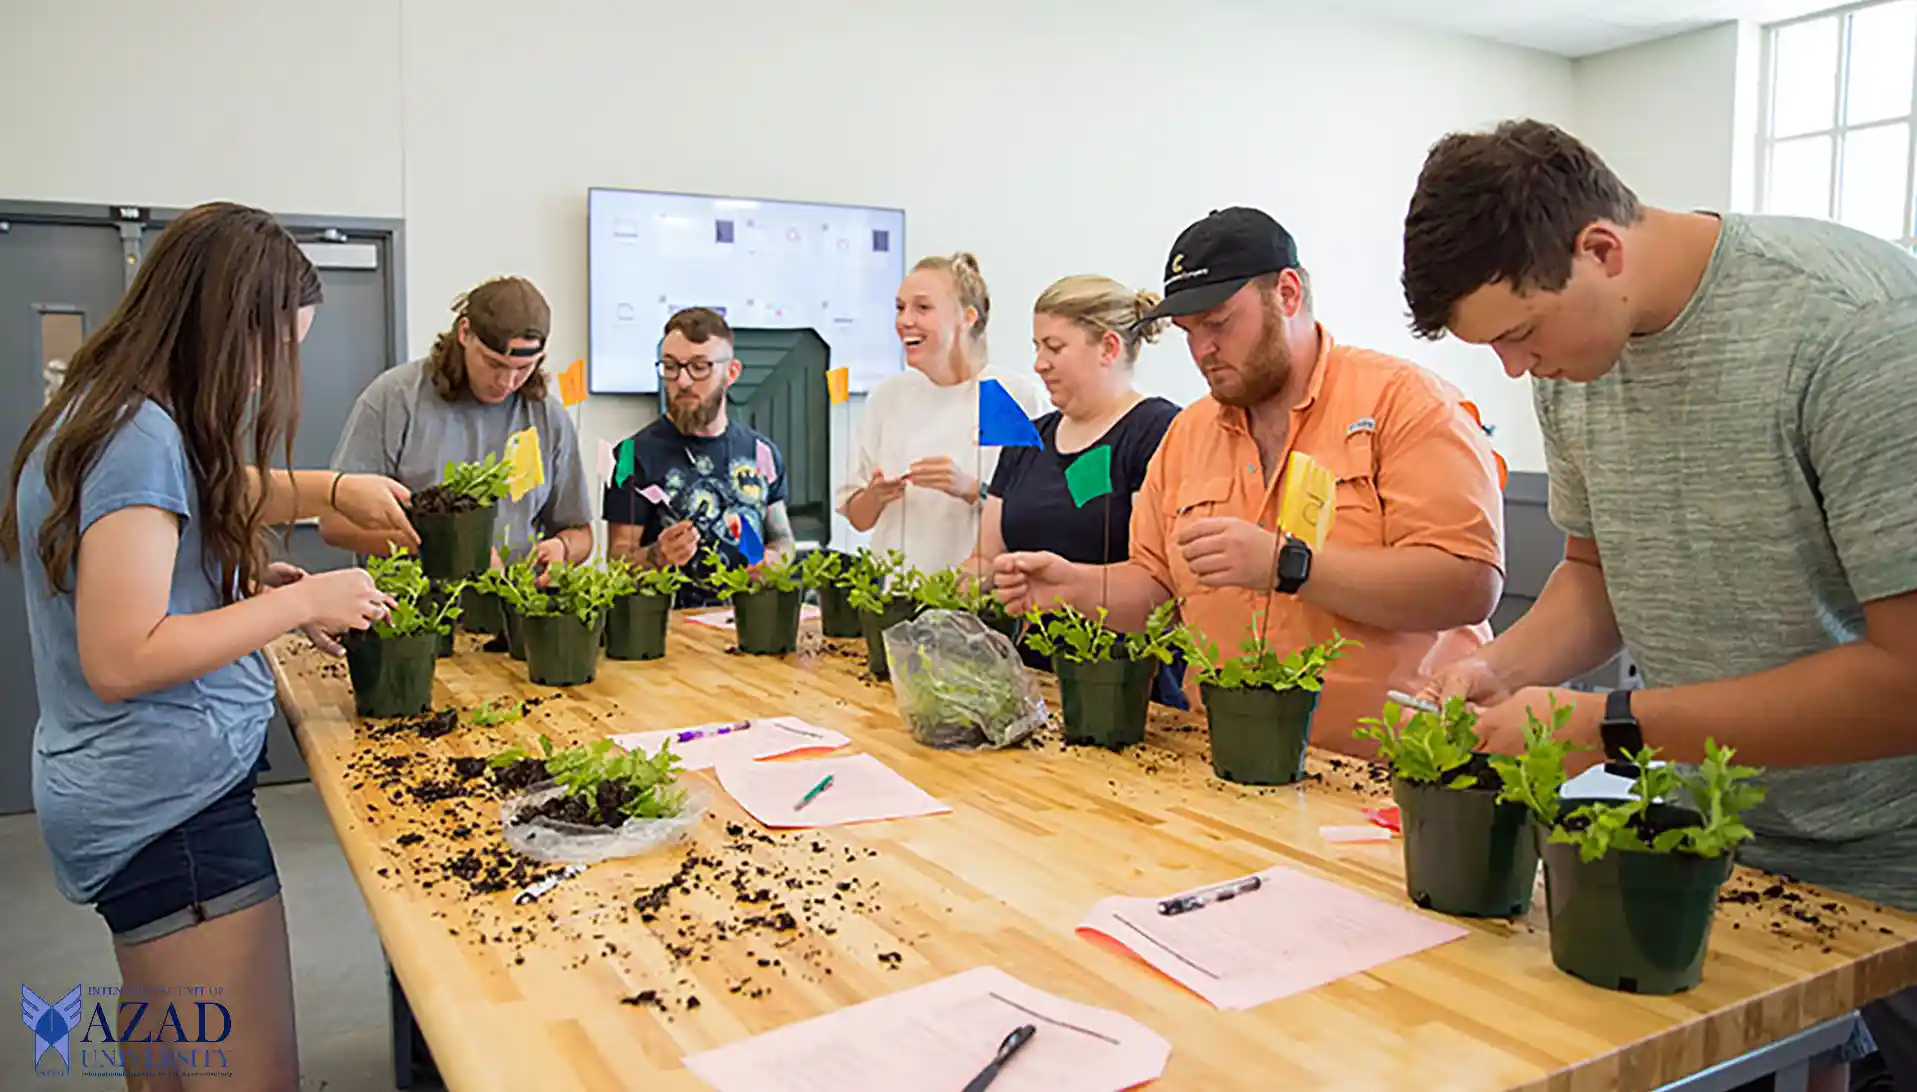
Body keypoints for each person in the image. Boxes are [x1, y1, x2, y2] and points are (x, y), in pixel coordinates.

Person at [1401, 117, 1917, 1091]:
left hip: (1896, 882)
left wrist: (1615, 727)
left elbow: (1907, 679)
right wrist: (1497, 667)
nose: (1516, 371)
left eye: (1517, 335)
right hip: (1715, 855)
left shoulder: (1856, 328)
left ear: (1600, 248)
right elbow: (1595, 580)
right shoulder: (1574, 364)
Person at [1, 202, 413, 1088]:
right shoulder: (136, 437)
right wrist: (318, 598)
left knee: (176, 1064)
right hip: (171, 812)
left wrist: (239, 587)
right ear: (227, 329)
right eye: (276, 349)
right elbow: (124, 656)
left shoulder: (108, 409)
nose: (273, 376)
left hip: (138, 798)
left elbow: (161, 549)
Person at [994, 208, 1506, 755]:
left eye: (1218, 323)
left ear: (1287, 294)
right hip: (1230, 761)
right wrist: (1072, 585)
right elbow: (1156, 587)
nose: (1201, 351)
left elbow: (1468, 583)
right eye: (1190, 332)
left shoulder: (1404, 403)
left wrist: (1285, 565)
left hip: (1394, 771)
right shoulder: (1187, 435)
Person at [963, 274, 1185, 707]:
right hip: (1029, 684)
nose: (1039, 364)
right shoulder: (1028, 439)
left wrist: (1068, 586)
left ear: (1108, 348)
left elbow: (1162, 589)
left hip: (1120, 691)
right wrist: (966, 588)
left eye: (1054, 347)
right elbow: (987, 556)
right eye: (1036, 347)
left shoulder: (1157, 432)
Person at [322, 276, 595, 569]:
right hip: (409, 606)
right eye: (493, 364)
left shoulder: (548, 418)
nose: (507, 382)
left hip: (508, 604)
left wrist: (563, 548)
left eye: (524, 368)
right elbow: (334, 523)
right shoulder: (394, 399)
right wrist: (441, 546)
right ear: (465, 332)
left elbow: (580, 533)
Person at [837, 252, 1046, 572]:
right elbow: (858, 518)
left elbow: (1035, 517)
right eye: (900, 307)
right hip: (894, 598)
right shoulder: (888, 397)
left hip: (975, 599)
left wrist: (970, 488)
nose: (905, 320)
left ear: (968, 317)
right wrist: (875, 496)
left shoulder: (1011, 396)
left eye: (922, 307)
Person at [603, 307, 796, 606]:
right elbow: (617, 563)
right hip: (670, 633)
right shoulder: (629, 455)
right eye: (671, 366)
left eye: (699, 367)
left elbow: (783, 540)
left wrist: (773, 560)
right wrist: (658, 556)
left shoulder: (762, 453)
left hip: (750, 626)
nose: (682, 381)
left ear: (731, 373)